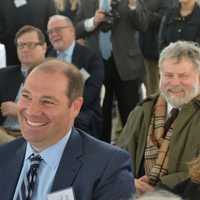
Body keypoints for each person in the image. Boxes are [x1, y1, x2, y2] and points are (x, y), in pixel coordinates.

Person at [0, 59, 135, 200]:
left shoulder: (108, 167)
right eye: (26, 96)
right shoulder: (4, 157)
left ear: (75, 107)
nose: (32, 111)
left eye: (47, 101)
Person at [117, 41, 200, 194]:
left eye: (183, 76)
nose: (175, 83)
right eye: (168, 75)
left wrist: (159, 189)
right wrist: (130, 182)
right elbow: (119, 157)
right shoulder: (142, 110)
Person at [75, 0, 146, 143]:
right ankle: (103, 152)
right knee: (100, 112)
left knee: (130, 112)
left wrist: (132, 5)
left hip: (127, 65)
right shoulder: (86, 2)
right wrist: (93, 21)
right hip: (96, 64)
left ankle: (132, 151)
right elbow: (77, 28)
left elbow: (143, 24)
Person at [47, 15, 104, 139]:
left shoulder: (91, 58)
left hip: (83, 113)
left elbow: (90, 94)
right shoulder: (46, 58)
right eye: (50, 32)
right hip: (51, 113)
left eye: (58, 30)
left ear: (72, 31)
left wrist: (62, 109)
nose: (53, 34)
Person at [0, 25, 47, 144]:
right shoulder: (4, 74)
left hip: (37, 136)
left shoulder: (54, 78)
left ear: (44, 47)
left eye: (31, 45)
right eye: (21, 45)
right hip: (3, 132)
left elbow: (56, 116)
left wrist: (19, 111)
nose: (25, 49)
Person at [0, 0, 56, 66]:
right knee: (15, 74)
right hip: (14, 48)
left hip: (39, 46)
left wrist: (44, 42)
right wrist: (7, 40)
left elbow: (52, 21)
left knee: (42, 72)